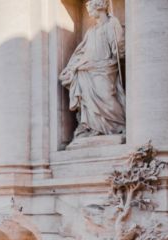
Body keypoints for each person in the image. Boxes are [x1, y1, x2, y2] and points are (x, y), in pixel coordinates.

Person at [58, 0, 125, 139]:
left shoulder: (112, 24)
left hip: (105, 68)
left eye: (90, 9)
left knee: (106, 96)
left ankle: (119, 125)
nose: (89, 13)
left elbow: (119, 48)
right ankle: (93, 127)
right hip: (87, 70)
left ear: (99, 7)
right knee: (87, 99)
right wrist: (72, 68)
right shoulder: (91, 30)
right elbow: (81, 52)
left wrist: (119, 48)